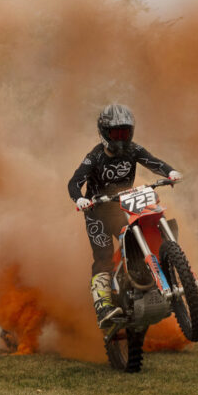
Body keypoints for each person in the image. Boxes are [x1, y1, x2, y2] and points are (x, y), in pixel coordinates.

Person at [67, 104, 182, 330]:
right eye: (116, 133)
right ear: (104, 132)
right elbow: (74, 182)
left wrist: (170, 172)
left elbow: (154, 162)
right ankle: (104, 307)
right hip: (97, 213)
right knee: (103, 257)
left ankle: (146, 284)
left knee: (139, 240)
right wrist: (79, 199)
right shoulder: (94, 156)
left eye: (125, 133)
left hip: (121, 208)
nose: (121, 139)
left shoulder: (134, 150)